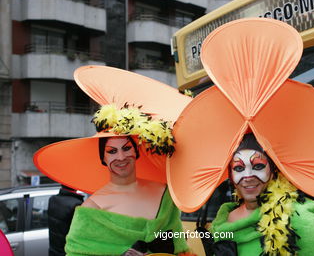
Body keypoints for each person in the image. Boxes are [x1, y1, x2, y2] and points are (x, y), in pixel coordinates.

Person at [167, 18, 314, 255]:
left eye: (257, 165)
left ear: (274, 168)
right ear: (228, 173)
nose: (247, 176)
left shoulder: (298, 217)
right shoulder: (223, 217)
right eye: (238, 168)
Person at [34, 66, 194, 255]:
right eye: (112, 151)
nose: (121, 157)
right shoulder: (91, 211)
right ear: (103, 158)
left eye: (126, 148)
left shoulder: (164, 193)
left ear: (136, 152)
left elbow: (182, 249)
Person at [48, 185, 84, 256]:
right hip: (67, 252)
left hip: (53, 250)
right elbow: (80, 233)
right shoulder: (76, 204)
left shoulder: (52, 199)